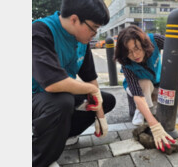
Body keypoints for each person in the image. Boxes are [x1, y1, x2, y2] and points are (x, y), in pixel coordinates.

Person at [32, 0, 115, 167]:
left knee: (106, 100)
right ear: (75, 19)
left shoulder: (81, 41)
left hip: (58, 94)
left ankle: (62, 136)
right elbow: (52, 83)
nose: (95, 33)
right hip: (34, 95)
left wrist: (100, 116)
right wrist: (91, 90)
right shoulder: (40, 31)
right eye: (93, 28)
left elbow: (90, 78)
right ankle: (40, 159)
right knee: (62, 102)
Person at [114, 25, 178, 152]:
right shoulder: (126, 63)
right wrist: (155, 126)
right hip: (137, 86)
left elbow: (177, 45)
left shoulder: (155, 40)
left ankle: (156, 115)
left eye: (137, 49)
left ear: (144, 43)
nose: (135, 55)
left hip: (157, 82)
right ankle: (143, 110)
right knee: (145, 84)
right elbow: (137, 93)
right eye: (129, 52)